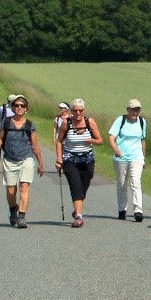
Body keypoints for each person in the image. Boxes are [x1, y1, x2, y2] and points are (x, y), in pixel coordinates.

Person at [0, 95, 44, 228]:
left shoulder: (29, 125)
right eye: (16, 105)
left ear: (26, 108)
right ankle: (13, 210)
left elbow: (35, 146)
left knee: (24, 187)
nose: (19, 108)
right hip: (10, 159)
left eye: (22, 106)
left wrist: (40, 163)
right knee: (11, 190)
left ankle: (21, 216)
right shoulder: (6, 123)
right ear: (12, 107)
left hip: (26, 158)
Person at [55, 98, 102, 228]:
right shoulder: (66, 123)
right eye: (75, 110)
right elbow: (59, 141)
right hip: (70, 159)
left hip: (87, 159)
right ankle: (79, 217)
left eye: (80, 110)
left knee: (83, 187)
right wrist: (59, 159)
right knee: (75, 185)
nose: (78, 113)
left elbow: (100, 140)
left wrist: (91, 140)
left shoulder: (89, 122)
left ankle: (77, 208)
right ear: (71, 111)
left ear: (84, 111)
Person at [109, 98, 147, 222]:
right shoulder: (120, 121)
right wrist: (116, 150)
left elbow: (142, 140)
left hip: (136, 156)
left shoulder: (142, 122)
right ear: (128, 109)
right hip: (121, 156)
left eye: (137, 109)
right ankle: (122, 209)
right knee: (121, 184)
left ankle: (138, 210)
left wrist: (143, 157)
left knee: (136, 182)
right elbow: (111, 138)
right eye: (133, 109)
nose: (135, 111)